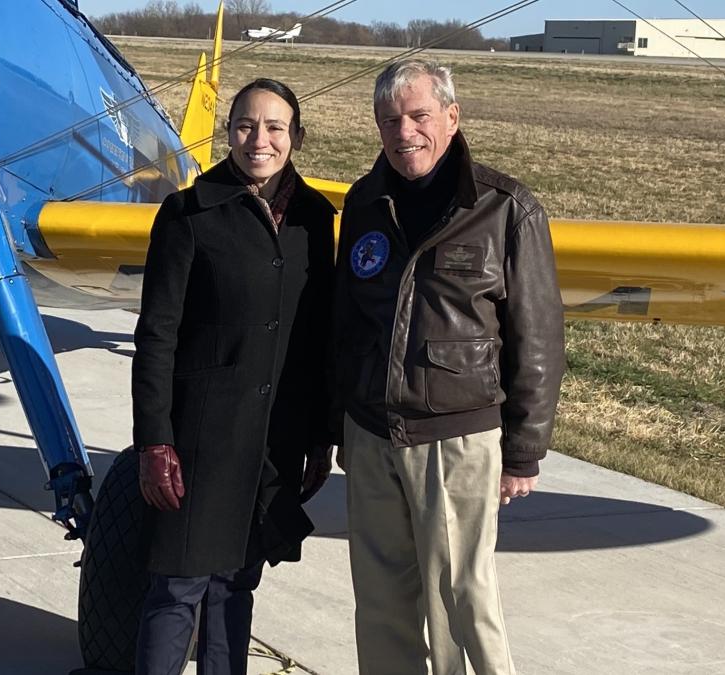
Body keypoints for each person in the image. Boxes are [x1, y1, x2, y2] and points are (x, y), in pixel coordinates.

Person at [330, 58, 567, 674]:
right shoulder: (363, 202)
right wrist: (341, 427)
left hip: (458, 438)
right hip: (372, 433)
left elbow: (537, 338)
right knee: (381, 606)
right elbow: (346, 320)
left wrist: (523, 451)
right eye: (389, 119)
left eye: (419, 115)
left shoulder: (506, 207)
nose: (404, 132)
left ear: (452, 118)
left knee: (464, 600)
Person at [130, 78, 338, 675]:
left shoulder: (313, 221)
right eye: (246, 125)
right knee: (177, 589)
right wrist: (154, 440)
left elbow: (318, 334)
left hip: (274, 441)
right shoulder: (189, 214)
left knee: (236, 584)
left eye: (276, 127)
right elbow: (157, 334)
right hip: (199, 440)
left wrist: (320, 435)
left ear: (296, 137)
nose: (260, 139)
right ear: (229, 134)